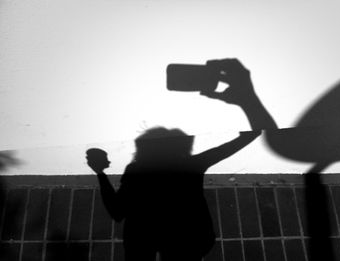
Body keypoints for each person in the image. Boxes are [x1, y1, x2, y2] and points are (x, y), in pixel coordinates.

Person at [87, 58, 277, 261]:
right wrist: (246, 99)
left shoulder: (138, 171)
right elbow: (257, 133)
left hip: (151, 244)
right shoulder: (191, 166)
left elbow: (117, 212)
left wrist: (100, 173)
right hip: (187, 242)